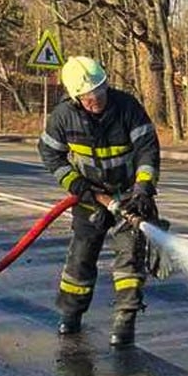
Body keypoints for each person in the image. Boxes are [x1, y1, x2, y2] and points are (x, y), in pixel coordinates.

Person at [38, 55, 162, 347]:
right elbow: (49, 154)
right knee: (81, 257)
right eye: (89, 96)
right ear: (75, 97)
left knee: (129, 261)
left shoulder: (126, 107)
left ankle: (124, 322)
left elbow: (147, 149)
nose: (97, 99)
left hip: (130, 195)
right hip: (90, 197)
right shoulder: (63, 117)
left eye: (100, 91)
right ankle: (71, 315)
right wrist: (76, 184)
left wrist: (144, 188)